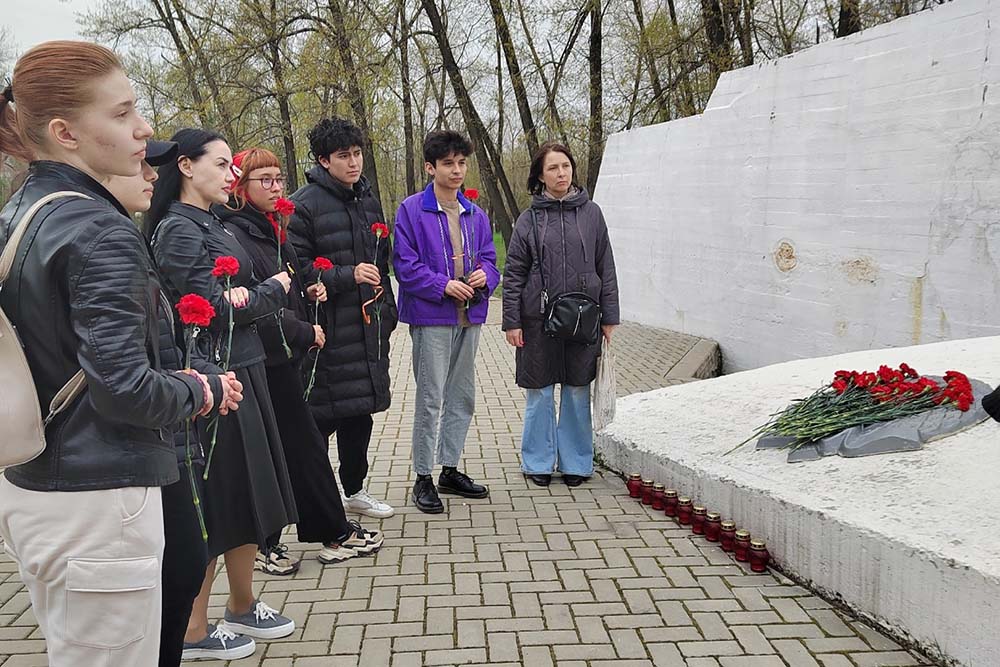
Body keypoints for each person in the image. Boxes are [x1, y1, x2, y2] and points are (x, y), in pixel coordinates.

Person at [0, 41, 215, 666]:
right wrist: (196, 388)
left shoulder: (22, 212)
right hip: (99, 500)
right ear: (66, 133)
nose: (143, 128)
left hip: (38, 485)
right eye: (122, 114)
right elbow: (125, 389)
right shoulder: (97, 229)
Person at [147, 128, 298, 660]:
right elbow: (208, 309)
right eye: (220, 163)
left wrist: (252, 296)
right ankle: (192, 629)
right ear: (186, 167)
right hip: (215, 378)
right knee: (216, 500)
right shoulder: (177, 229)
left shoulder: (212, 220)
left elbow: (234, 298)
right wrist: (271, 292)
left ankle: (242, 603)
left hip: (245, 368)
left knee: (247, 494)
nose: (231, 173)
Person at [104, 140, 246, 667]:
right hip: (139, 441)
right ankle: (192, 631)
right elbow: (126, 374)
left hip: (181, 403)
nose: (150, 175)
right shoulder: (122, 238)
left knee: (186, 558)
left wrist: (202, 375)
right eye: (139, 163)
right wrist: (199, 386)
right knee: (180, 560)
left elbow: (165, 337)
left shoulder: (130, 236)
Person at [218, 147, 384, 567]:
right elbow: (253, 302)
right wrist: (304, 330)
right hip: (259, 360)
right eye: (265, 180)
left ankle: (326, 531)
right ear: (240, 186)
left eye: (279, 179)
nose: (276, 188)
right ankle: (273, 542)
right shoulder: (235, 233)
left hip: (282, 356)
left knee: (298, 447)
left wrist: (310, 293)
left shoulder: (270, 228)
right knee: (283, 451)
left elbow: (288, 284)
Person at [288, 117, 398, 519]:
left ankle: (355, 490)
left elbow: (381, 261)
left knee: (359, 415)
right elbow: (297, 268)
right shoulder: (303, 205)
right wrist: (345, 275)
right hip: (326, 328)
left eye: (357, 154)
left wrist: (387, 311)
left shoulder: (367, 199)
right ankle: (315, 500)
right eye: (343, 156)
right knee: (319, 419)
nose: (353, 163)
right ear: (323, 160)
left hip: (366, 326)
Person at [393, 130, 500, 514]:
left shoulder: (475, 214)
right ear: (430, 167)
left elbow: (490, 259)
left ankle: (449, 469)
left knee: (462, 396)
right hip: (432, 317)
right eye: (448, 163)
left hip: (469, 318)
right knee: (430, 398)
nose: (457, 170)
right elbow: (405, 265)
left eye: (462, 163)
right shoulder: (411, 210)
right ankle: (423, 476)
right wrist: (443, 286)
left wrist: (486, 276)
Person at [501, 142, 620, 487]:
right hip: (538, 320)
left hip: (583, 318)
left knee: (577, 389)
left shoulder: (592, 214)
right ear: (540, 175)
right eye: (552, 168)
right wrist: (512, 321)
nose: (561, 173)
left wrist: (610, 316)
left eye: (565, 166)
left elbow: (606, 265)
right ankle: (537, 461)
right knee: (539, 392)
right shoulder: (528, 219)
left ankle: (576, 463)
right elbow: (514, 273)